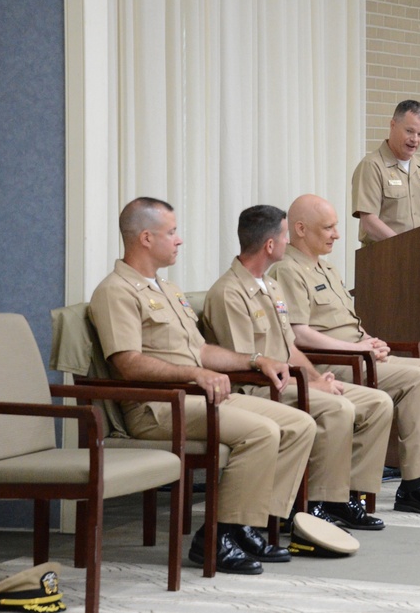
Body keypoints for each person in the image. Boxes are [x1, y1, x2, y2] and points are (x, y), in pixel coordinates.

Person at [89, 197, 317, 575]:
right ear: (146, 238)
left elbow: (201, 350)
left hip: (196, 398)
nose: (178, 240)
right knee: (262, 433)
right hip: (160, 409)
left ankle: (249, 525)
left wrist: (255, 360)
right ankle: (217, 535)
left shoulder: (167, 289)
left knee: (299, 424)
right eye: (172, 232)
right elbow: (126, 363)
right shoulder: (117, 291)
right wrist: (194, 375)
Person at [270, 194, 420, 516]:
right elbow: (298, 334)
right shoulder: (288, 270)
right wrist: (358, 348)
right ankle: (415, 485)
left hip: (359, 353)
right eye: (328, 228)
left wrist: (371, 340)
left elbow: (344, 323)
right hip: (331, 363)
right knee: (417, 380)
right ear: (300, 229)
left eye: (335, 227)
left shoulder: (325, 267)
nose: (336, 234)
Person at [201, 205, 393, 531]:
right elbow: (247, 364)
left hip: (286, 381)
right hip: (256, 388)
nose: (289, 242)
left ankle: (344, 497)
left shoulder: (270, 287)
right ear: (270, 245)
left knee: (377, 402)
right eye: (285, 235)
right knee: (337, 408)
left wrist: (318, 378)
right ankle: (310, 506)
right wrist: (310, 387)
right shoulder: (228, 293)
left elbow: (289, 348)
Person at [351, 99, 420, 245]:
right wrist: (404, 246)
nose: (415, 139)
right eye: (409, 131)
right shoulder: (372, 165)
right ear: (393, 125)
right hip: (385, 259)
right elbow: (369, 222)